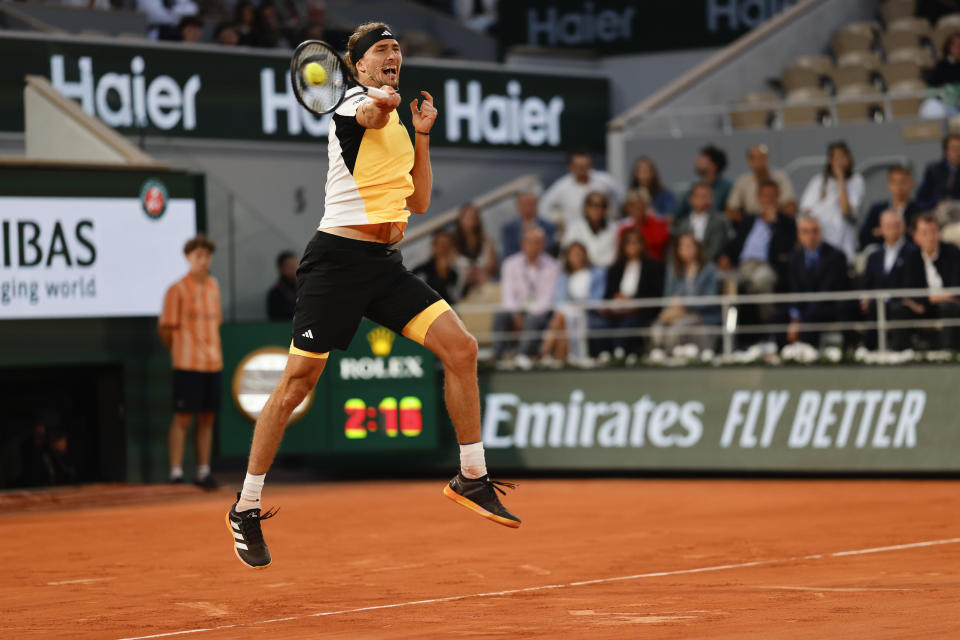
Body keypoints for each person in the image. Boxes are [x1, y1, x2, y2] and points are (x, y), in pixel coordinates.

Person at [227, 23, 520, 570]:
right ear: (356, 67)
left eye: (397, 49)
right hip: (335, 265)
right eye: (382, 50)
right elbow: (370, 115)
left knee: (462, 348)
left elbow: (423, 199)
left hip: (385, 265)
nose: (395, 55)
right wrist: (382, 104)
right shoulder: (351, 106)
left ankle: (471, 476)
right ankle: (245, 506)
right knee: (295, 386)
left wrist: (423, 133)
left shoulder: (397, 120)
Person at [158, 234, 222, 490]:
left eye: (206, 256)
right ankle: (175, 473)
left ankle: (203, 472)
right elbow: (165, 328)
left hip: (213, 363)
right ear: (188, 258)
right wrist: (179, 351)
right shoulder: (176, 289)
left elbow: (217, 322)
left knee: (207, 418)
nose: (203, 261)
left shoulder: (214, 286)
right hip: (186, 364)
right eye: (198, 256)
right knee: (182, 418)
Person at [720, 180, 797, 330]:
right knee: (725, 282)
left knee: (762, 280)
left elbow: (785, 249)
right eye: (764, 196)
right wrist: (725, 256)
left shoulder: (786, 222)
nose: (768, 200)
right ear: (758, 198)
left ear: (778, 198)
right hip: (742, 266)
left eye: (772, 196)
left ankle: (768, 327)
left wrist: (775, 223)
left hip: (767, 266)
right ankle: (728, 334)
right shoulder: (748, 220)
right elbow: (735, 243)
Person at [592, 229, 665, 355]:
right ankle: (603, 357)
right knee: (599, 326)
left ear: (642, 245)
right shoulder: (615, 269)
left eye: (636, 242)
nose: (632, 246)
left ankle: (620, 357)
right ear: (623, 246)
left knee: (626, 328)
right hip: (615, 312)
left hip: (639, 312)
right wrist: (617, 298)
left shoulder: (653, 267)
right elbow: (608, 295)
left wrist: (631, 301)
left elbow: (655, 294)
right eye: (629, 243)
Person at [492, 227, 559, 360]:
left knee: (532, 320)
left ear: (543, 245)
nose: (533, 246)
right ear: (523, 244)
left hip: (540, 314)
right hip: (515, 312)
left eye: (537, 242)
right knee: (500, 315)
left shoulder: (553, 266)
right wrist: (517, 314)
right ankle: (496, 357)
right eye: (530, 242)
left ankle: (520, 358)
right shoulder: (510, 264)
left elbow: (546, 299)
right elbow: (508, 296)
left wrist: (526, 314)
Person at [785, 216, 850, 345]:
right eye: (805, 231)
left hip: (828, 305)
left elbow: (830, 288)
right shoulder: (793, 258)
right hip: (804, 306)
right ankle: (784, 356)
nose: (811, 236)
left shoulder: (836, 256)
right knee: (778, 315)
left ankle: (810, 355)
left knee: (812, 313)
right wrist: (795, 317)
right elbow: (794, 288)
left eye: (814, 231)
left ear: (821, 232)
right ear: (799, 235)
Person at [652, 233, 720, 351]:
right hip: (676, 313)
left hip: (700, 315)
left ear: (697, 247)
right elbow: (667, 296)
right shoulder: (674, 269)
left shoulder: (709, 269)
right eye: (682, 246)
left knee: (675, 330)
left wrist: (685, 304)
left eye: (689, 246)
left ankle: (673, 359)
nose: (685, 250)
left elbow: (711, 298)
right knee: (656, 329)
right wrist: (673, 307)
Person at [798, 141, 865, 262]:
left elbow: (847, 210)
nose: (839, 162)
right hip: (819, 243)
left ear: (848, 158)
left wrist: (841, 179)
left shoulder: (857, 180)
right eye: (835, 158)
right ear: (830, 161)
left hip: (842, 245)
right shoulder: (818, 181)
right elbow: (805, 211)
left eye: (842, 157)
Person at [539, 242, 605, 362]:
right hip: (567, 313)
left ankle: (544, 354)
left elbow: (597, 300)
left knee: (560, 319)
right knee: (562, 319)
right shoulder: (564, 276)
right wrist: (571, 307)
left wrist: (579, 306)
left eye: (580, 254)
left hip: (587, 314)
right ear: (568, 257)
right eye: (574, 255)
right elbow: (559, 300)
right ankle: (559, 359)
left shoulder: (597, 273)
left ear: (585, 255)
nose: (577, 258)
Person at [860, 211, 916, 350]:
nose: (892, 229)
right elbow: (867, 283)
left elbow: (911, 282)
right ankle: (864, 350)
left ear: (903, 227)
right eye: (888, 225)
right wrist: (865, 298)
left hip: (900, 302)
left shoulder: (913, 252)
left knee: (893, 308)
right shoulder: (874, 255)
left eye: (896, 225)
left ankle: (895, 349)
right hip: (876, 303)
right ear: (881, 228)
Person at [902, 213, 960, 348]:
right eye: (924, 233)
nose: (931, 237)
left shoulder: (952, 252)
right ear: (916, 237)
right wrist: (925, 302)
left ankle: (949, 353)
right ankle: (902, 353)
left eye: (934, 232)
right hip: (922, 308)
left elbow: (956, 288)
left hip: (949, 306)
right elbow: (909, 290)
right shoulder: (911, 256)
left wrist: (928, 300)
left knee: (948, 307)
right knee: (899, 308)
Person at [538, 149, 623, 234]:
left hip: (603, 231)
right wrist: (559, 219)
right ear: (570, 167)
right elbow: (543, 207)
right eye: (578, 166)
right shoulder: (562, 186)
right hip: (574, 233)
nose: (582, 169)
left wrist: (613, 213)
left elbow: (621, 198)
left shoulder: (606, 181)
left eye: (585, 166)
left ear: (591, 165)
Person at [859, 165, 922, 251]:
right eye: (894, 182)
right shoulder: (877, 209)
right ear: (889, 185)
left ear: (911, 183)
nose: (898, 186)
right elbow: (864, 236)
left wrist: (882, 232)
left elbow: (920, 237)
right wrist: (905, 232)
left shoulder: (919, 211)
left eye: (903, 182)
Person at [726, 144, 797, 220]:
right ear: (749, 161)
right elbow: (731, 209)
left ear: (767, 158)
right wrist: (749, 223)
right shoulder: (743, 181)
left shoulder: (780, 177)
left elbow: (791, 207)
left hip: (777, 220)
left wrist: (775, 216)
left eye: (762, 157)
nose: (758, 161)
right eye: (754, 158)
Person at [672, 182, 732, 263]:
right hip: (686, 266)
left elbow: (715, 248)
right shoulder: (682, 224)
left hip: (710, 264)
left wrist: (699, 263)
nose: (706, 200)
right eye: (702, 196)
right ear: (692, 199)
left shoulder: (720, 222)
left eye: (709, 196)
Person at [675, 145, 732, 220]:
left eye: (702, 159)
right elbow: (678, 212)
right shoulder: (693, 188)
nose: (697, 161)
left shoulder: (728, 188)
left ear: (714, 165)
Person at [451, 203, 497, 295]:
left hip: (485, 285)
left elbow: (493, 268)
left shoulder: (487, 241)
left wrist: (481, 272)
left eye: (473, 217)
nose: (470, 221)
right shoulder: (452, 245)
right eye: (467, 217)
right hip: (463, 291)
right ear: (460, 220)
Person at [563, 191, 618, 267]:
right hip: (581, 271)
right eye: (592, 205)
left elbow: (614, 257)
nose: (596, 209)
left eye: (600, 206)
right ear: (585, 207)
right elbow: (570, 255)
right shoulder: (574, 228)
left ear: (605, 209)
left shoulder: (615, 229)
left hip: (608, 272)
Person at [616, 190, 671, 262]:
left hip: (654, 266)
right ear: (628, 209)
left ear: (645, 207)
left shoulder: (657, 224)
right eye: (632, 206)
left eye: (640, 206)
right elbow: (621, 252)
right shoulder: (624, 229)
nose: (637, 209)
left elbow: (660, 242)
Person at [501, 191, 556, 258]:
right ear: (518, 206)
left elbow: (551, 247)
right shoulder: (508, 229)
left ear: (536, 205)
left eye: (531, 204)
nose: (528, 207)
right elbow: (509, 251)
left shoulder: (549, 226)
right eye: (524, 204)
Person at [413, 230, 462, 303]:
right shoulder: (421, 271)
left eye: (447, 245)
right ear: (434, 247)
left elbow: (456, 297)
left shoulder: (455, 273)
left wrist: (444, 274)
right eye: (440, 244)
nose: (443, 249)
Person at [916, 134, 960, 211]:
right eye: (954, 148)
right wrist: (936, 204)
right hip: (936, 212)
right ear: (946, 150)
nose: (958, 152)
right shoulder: (933, 170)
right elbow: (920, 199)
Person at [266, 251, 298, 321]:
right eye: (290, 267)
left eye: (295, 266)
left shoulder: (305, 290)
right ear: (281, 268)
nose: (294, 270)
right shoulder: (275, 295)